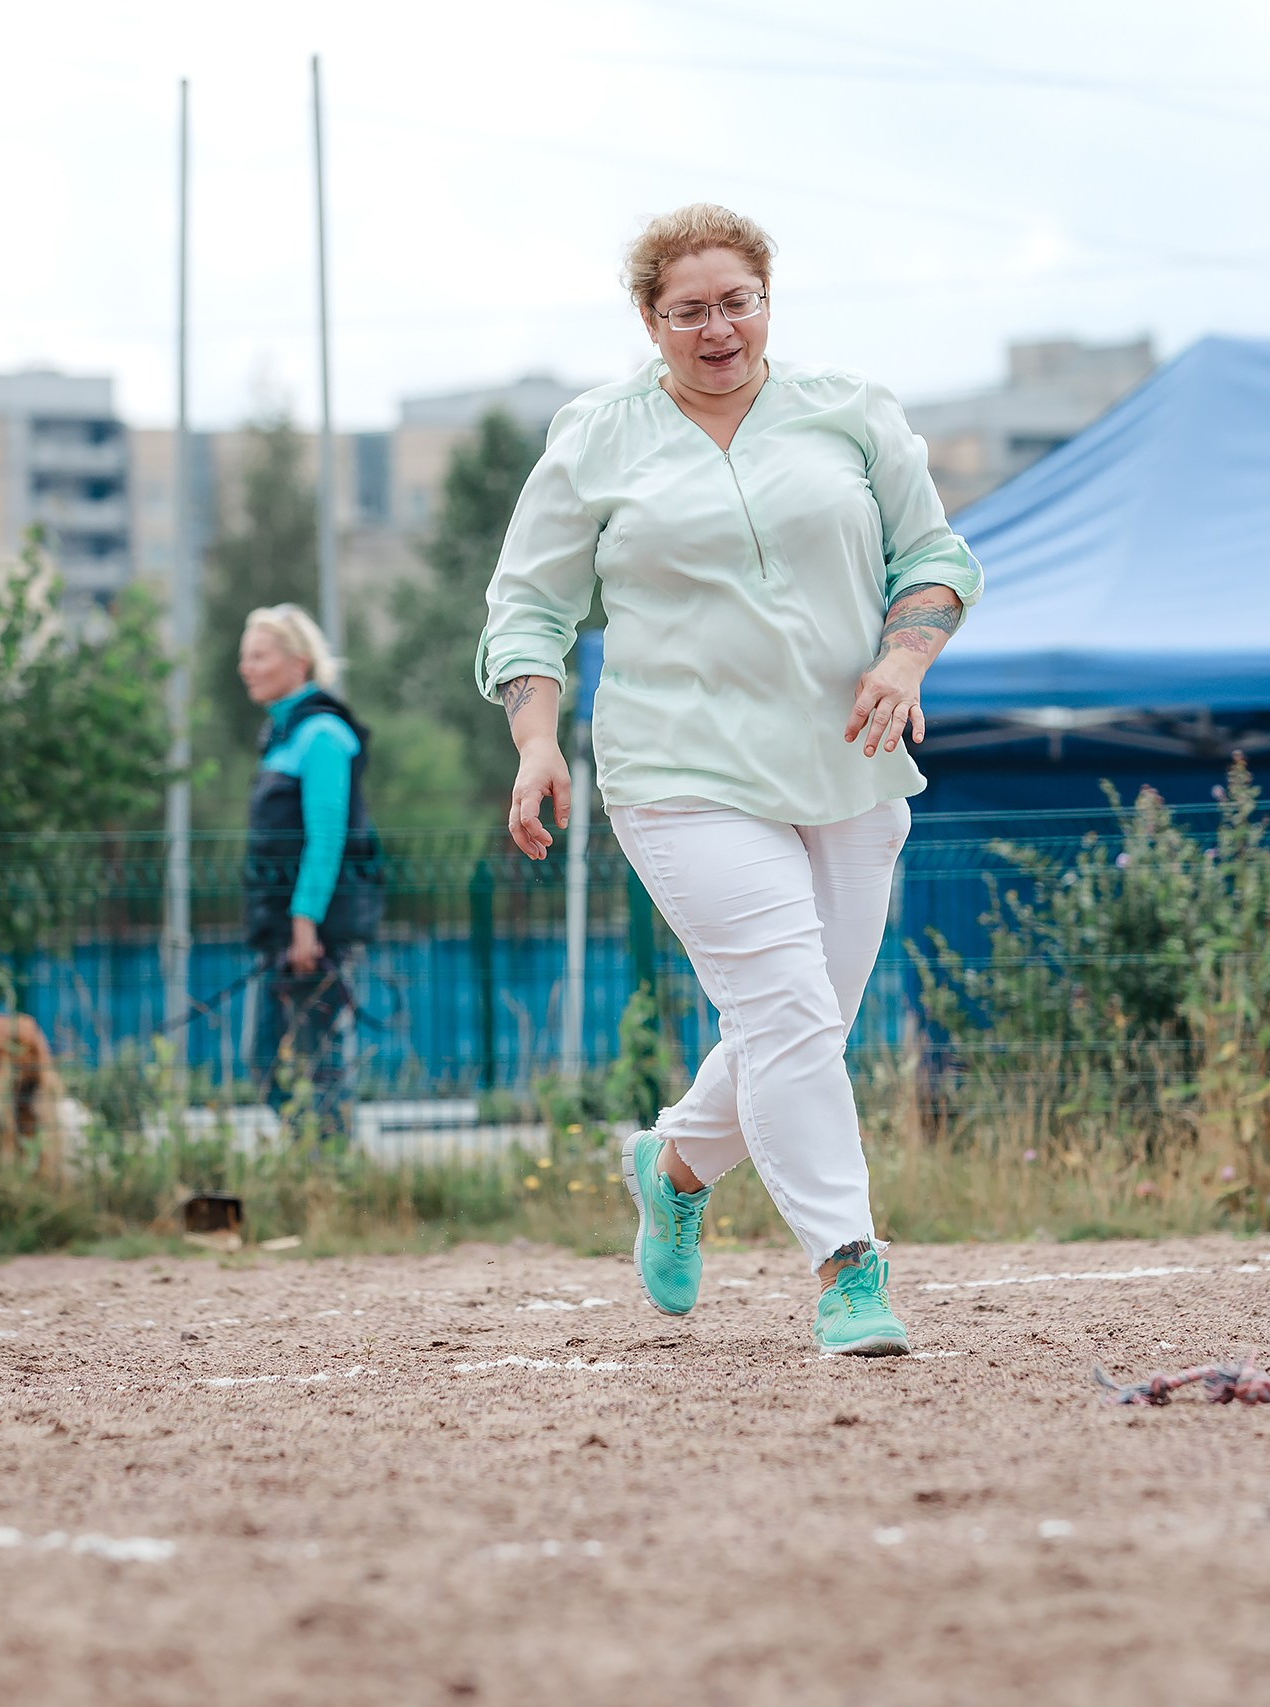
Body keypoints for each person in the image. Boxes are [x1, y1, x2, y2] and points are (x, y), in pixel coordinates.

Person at [476, 203, 982, 1357]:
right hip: (679, 768)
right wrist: (537, 738)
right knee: (788, 1013)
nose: (717, 330)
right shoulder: (596, 436)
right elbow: (531, 604)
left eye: (735, 303)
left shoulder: (848, 413)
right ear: (650, 322)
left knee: (808, 1021)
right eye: (688, 311)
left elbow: (934, 556)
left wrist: (904, 656)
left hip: (848, 759)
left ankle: (677, 1163)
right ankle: (851, 1268)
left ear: (767, 300)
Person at [239, 604, 381, 1139]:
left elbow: (327, 837)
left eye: (258, 655)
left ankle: (332, 1171)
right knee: (271, 1061)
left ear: (297, 664)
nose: (246, 667)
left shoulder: (321, 733)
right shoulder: (282, 736)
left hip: (311, 933)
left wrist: (304, 924)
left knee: (314, 1058)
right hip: (281, 930)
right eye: (244, 657)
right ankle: (313, 1165)